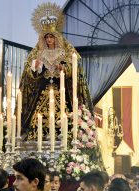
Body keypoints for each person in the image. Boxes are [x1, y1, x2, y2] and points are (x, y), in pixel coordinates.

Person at [18, 2, 93, 141]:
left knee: (64, 113)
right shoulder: (38, 53)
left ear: (56, 37)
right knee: (38, 115)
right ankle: (39, 136)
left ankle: (63, 135)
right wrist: (36, 67)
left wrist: (64, 69)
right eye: (47, 37)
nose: (49, 40)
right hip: (43, 89)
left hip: (61, 88)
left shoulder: (65, 52)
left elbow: (74, 68)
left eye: (51, 37)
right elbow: (30, 73)